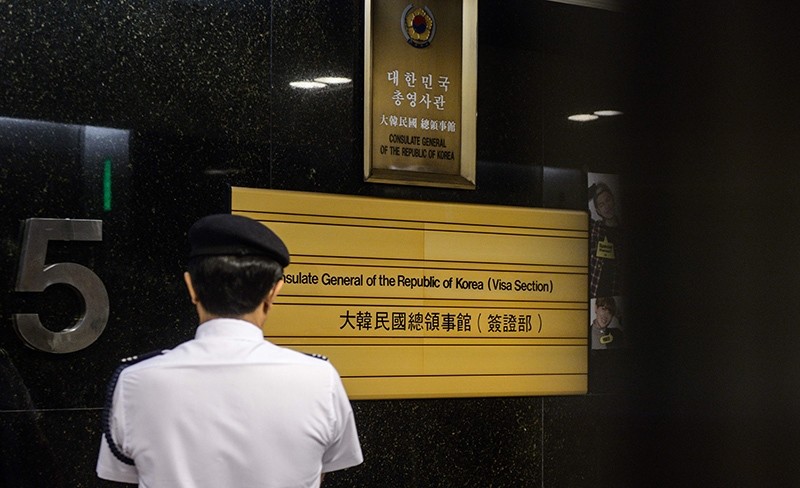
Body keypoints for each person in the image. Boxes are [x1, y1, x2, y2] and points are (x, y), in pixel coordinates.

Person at [96, 214, 363, 487]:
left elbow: (124, 475)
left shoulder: (134, 381)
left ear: (191, 287)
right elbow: (324, 466)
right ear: (273, 292)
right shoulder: (320, 379)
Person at [588, 181, 624, 298]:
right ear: (598, 210)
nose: (606, 207)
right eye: (601, 204)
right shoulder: (594, 228)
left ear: (613, 200)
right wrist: (590, 192)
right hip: (593, 295)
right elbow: (576, 206)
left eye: (608, 200)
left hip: (617, 298)